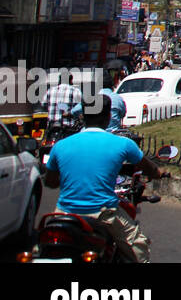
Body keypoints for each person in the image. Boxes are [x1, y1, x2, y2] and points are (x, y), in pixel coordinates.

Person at [42, 96, 163, 262]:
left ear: (83, 116)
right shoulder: (123, 144)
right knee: (138, 248)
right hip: (104, 213)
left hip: (64, 213)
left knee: (43, 247)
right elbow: (150, 168)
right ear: (108, 117)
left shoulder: (60, 146)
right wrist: (159, 173)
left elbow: (50, 182)